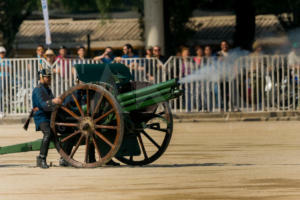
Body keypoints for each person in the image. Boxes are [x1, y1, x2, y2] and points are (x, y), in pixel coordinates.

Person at [32, 68, 62, 168]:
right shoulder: (37, 90)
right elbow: (43, 105)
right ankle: (41, 158)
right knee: (48, 133)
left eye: (50, 77)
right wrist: (54, 101)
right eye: (47, 77)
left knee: (57, 136)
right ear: (41, 77)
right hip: (41, 117)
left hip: (49, 117)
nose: (49, 79)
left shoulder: (47, 89)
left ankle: (64, 158)